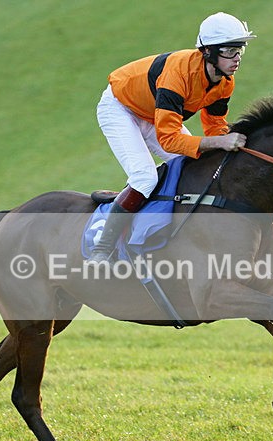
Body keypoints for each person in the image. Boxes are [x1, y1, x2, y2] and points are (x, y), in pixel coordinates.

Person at [86, 12, 256, 264]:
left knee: (192, 167)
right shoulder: (178, 76)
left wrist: (227, 145)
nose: (237, 58)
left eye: (239, 50)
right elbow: (169, 140)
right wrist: (218, 143)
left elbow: (215, 125)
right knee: (144, 178)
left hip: (153, 114)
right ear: (208, 52)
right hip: (120, 108)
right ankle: (103, 247)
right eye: (230, 51)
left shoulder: (224, 82)